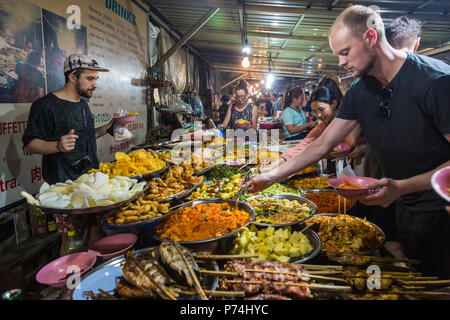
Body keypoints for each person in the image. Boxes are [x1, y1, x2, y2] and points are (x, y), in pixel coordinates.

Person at [245, 5, 450, 278]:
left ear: (371, 37)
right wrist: (272, 176)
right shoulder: (359, 90)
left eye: (345, 52)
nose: (341, 62)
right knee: (415, 277)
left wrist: (402, 187)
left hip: (441, 211)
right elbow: (321, 144)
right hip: (401, 207)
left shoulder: (435, 80)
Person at [22, 53, 113, 256]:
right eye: (90, 78)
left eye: (96, 79)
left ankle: (93, 273)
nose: (95, 84)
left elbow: (84, 137)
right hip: (65, 189)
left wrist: (107, 128)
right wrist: (57, 146)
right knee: (72, 238)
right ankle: (72, 283)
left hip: (91, 182)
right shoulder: (45, 106)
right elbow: (29, 143)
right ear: (72, 77)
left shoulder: (82, 103)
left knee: (96, 229)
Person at [260, 79, 348, 173]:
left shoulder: (349, 120)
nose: (318, 115)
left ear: (334, 104)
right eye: (314, 111)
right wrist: (271, 167)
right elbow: (301, 147)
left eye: (321, 109)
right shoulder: (322, 127)